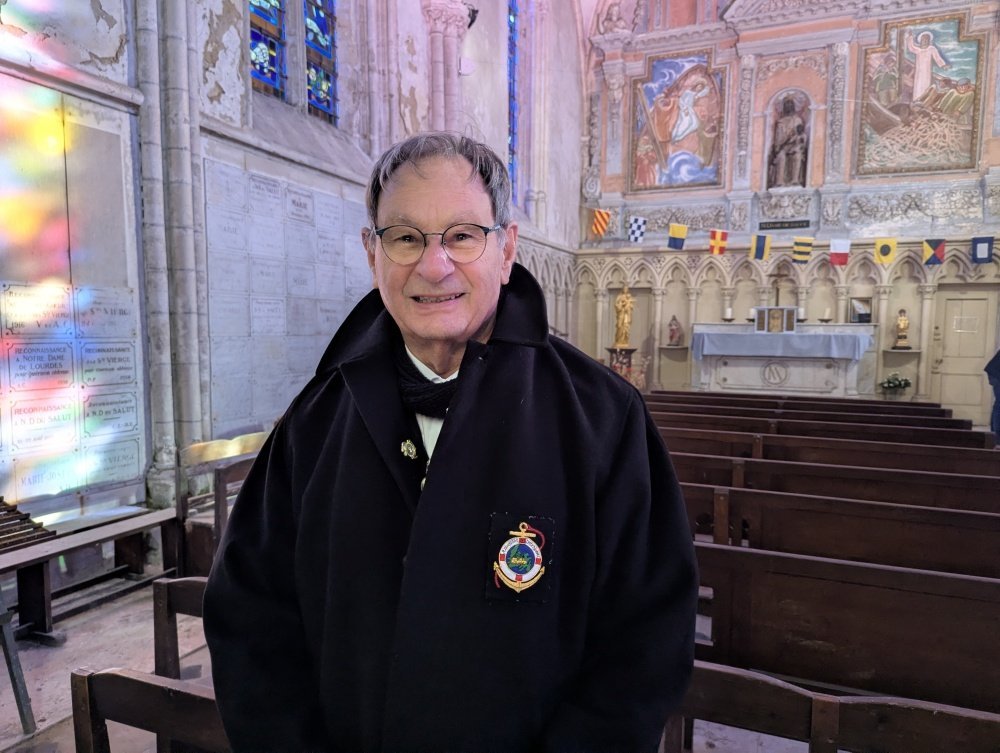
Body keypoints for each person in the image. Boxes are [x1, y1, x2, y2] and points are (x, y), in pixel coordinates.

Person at [203, 132, 697, 753]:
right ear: (372, 253)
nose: (434, 266)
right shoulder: (314, 420)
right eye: (405, 238)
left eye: (462, 236)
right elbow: (251, 619)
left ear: (506, 249)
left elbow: (644, 642)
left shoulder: (603, 418)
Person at [986, 348, 1000, 434]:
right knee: (999, 404)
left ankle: (994, 432)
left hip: (995, 373)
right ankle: (996, 433)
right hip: (996, 374)